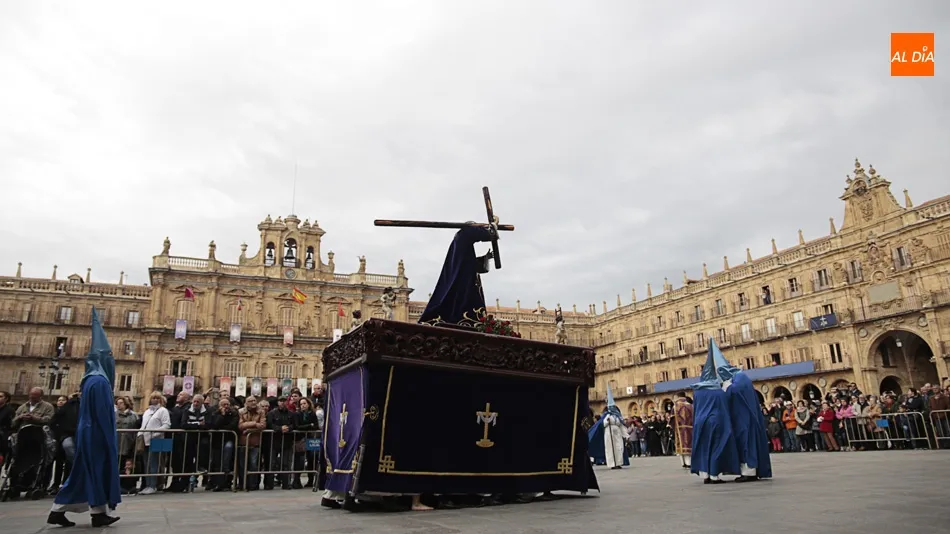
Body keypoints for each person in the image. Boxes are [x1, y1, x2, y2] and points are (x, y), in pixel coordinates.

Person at [46, 309, 121, 527]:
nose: (111, 361)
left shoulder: (91, 379)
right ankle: (62, 510)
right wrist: (109, 437)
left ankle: (97, 513)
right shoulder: (99, 382)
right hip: (96, 434)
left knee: (88, 473)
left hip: (90, 432)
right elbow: (102, 414)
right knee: (89, 471)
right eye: (108, 357)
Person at [419, 225, 497, 325]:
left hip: (464, 279)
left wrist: (485, 258)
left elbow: (469, 264)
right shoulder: (464, 234)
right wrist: (493, 227)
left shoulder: (460, 242)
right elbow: (489, 234)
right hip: (463, 284)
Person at [690, 340, 740, 484]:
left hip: (700, 421)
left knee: (703, 447)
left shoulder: (697, 392)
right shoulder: (718, 391)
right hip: (715, 421)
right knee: (716, 446)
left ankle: (704, 474)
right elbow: (725, 406)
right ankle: (714, 475)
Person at [719, 348, 772, 482]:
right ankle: (747, 471)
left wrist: (727, 387)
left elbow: (736, 390)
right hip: (742, 418)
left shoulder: (740, 377)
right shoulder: (738, 377)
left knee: (747, 444)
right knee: (743, 444)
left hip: (746, 419)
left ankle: (750, 472)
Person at [672, 392, 693, 469]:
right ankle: (689, 462)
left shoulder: (675, 406)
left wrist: (673, 427)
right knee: (688, 444)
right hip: (690, 428)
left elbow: (672, 418)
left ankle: (683, 463)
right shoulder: (690, 405)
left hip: (679, 429)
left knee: (681, 445)